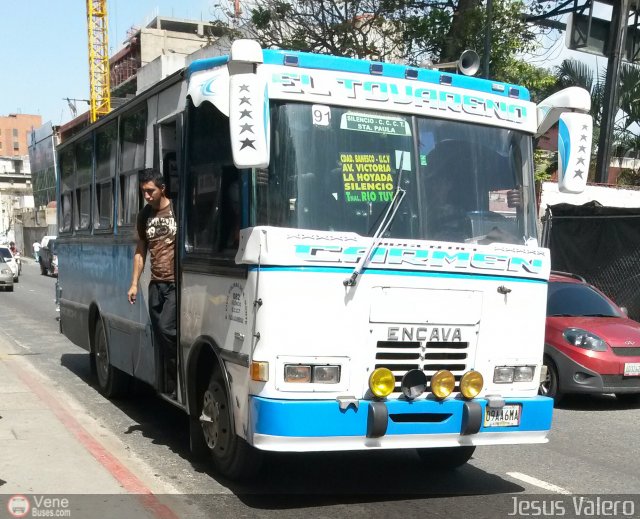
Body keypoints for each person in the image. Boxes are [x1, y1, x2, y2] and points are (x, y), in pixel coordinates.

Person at [127, 168, 178, 398]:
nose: (147, 196)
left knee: (168, 328)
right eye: (144, 192)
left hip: (176, 283)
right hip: (155, 283)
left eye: (150, 191)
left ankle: (177, 375)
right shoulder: (144, 216)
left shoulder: (177, 209)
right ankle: (169, 383)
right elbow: (140, 250)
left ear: (162, 189)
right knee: (159, 331)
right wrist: (134, 283)